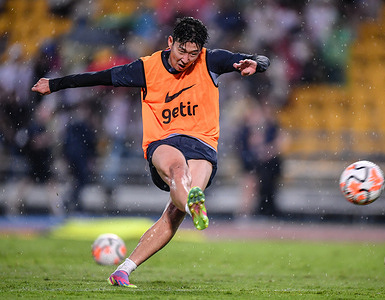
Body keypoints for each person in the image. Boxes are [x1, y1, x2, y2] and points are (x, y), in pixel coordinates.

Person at [32, 17, 269, 287]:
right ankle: (193, 204)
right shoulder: (146, 68)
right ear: (170, 42)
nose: (186, 59)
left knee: (177, 210)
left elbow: (259, 59)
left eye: (193, 54)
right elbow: (99, 77)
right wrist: (55, 84)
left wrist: (256, 64)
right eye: (182, 51)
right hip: (164, 142)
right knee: (180, 172)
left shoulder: (211, 60)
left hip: (202, 143)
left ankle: (123, 269)